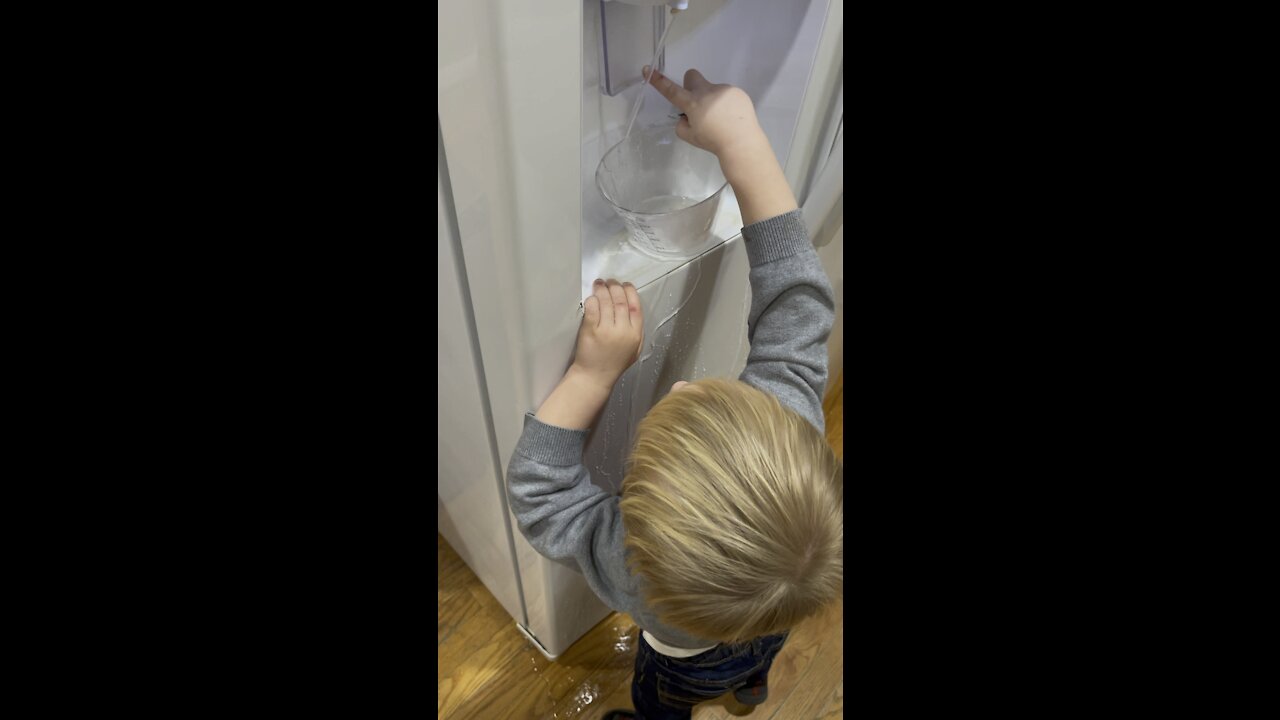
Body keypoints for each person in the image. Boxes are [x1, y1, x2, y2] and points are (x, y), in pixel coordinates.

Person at [506, 66, 841, 720]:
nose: (683, 383)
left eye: (678, 406)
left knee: (660, 699)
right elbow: (797, 302)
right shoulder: (793, 431)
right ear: (778, 420)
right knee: (755, 655)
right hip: (769, 625)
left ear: (634, 520)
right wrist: (742, 139)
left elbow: (538, 495)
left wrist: (591, 375)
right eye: (712, 398)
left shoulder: (636, 570)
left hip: (682, 662)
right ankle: (750, 688)